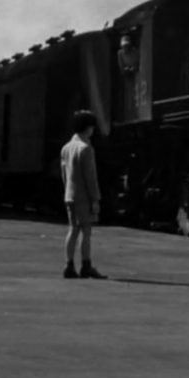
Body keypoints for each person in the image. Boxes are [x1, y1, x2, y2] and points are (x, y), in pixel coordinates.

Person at [60, 109, 106, 279]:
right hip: (84, 196)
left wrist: (68, 192)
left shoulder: (66, 148)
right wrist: (95, 199)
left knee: (72, 230)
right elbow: (90, 178)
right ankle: (86, 265)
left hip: (69, 196)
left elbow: (64, 175)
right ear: (87, 128)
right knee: (86, 231)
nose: (93, 130)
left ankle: (69, 265)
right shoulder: (86, 149)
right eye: (92, 127)